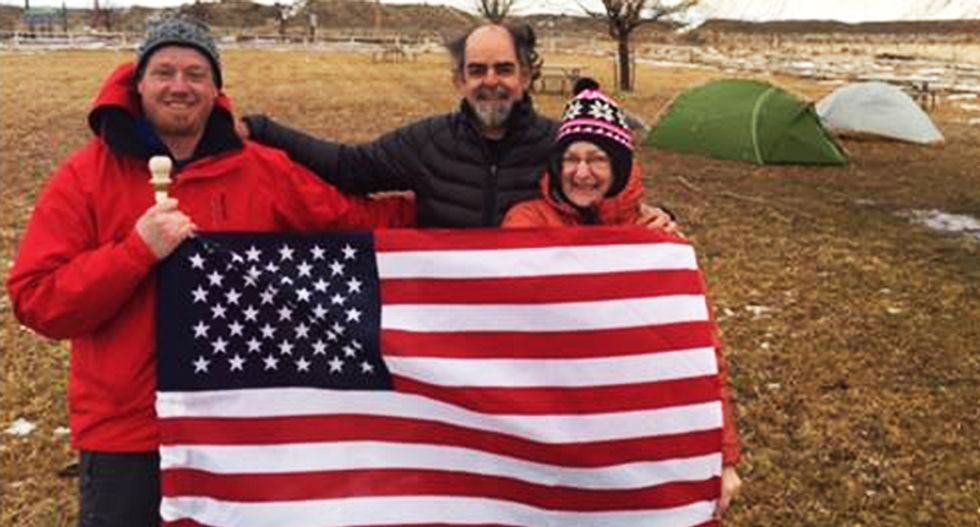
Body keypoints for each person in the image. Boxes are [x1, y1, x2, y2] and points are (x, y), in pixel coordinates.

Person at [6, 18, 412, 526]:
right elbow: (38, 300)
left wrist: (449, 211)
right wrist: (134, 251)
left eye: (196, 73)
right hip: (131, 435)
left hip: (239, 422)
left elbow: (353, 223)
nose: (180, 86)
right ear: (139, 83)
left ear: (216, 88)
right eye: (164, 72)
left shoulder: (262, 170)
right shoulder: (86, 176)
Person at [503, 81, 744, 519]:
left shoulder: (659, 245)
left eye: (596, 159)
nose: (581, 172)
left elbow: (700, 353)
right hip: (548, 431)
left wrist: (722, 454)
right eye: (571, 159)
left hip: (631, 434)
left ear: (619, 165)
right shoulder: (525, 224)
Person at [238, 22, 677, 231]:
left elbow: (604, 195)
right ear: (459, 79)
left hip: (538, 325)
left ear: (526, 77)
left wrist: (657, 220)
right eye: (477, 70)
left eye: (504, 69)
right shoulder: (426, 142)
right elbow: (348, 167)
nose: (491, 82)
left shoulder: (559, 145)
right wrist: (261, 128)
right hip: (455, 328)